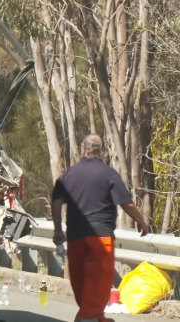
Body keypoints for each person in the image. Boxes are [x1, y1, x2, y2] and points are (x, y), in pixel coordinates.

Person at [51, 134, 150, 322]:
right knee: (98, 283)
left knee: (81, 284)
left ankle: (94, 317)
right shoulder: (108, 174)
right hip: (100, 239)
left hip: (75, 238)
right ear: (100, 151)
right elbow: (127, 204)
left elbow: (56, 203)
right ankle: (87, 318)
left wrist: (57, 229)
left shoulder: (68, 175)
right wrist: (141, 221)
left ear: (82, 149)